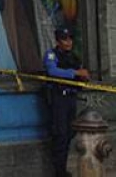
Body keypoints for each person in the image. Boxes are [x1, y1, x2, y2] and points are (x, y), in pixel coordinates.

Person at [43, 26, 90, 177]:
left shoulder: (73, 57)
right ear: (58, 41)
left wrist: (83, 76)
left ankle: (61, 168)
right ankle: (59, 171)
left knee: (69, 132)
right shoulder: (51, 54)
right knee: (60, 134)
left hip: (71, 97)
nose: (68, 42)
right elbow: (52, 71)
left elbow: (81, 75)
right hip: (58, 98)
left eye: (70, 39)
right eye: (64, 39)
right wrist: (75, 73)